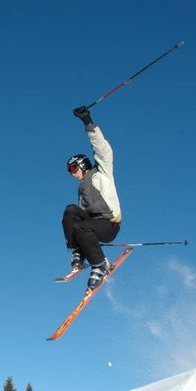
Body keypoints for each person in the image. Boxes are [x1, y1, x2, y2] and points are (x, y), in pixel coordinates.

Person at [62, 106, 122, 289]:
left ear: (82, 164)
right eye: (69, 171)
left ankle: (100, 264)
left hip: (109, 224)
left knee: (82, 227)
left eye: (73, 169)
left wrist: (87, 121)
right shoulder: (82, 189)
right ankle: (77, 251)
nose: (72, 174)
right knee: (71, 210)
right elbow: (77, 218)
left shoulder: (101, 172)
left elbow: (102, 149)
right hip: (92, 225)